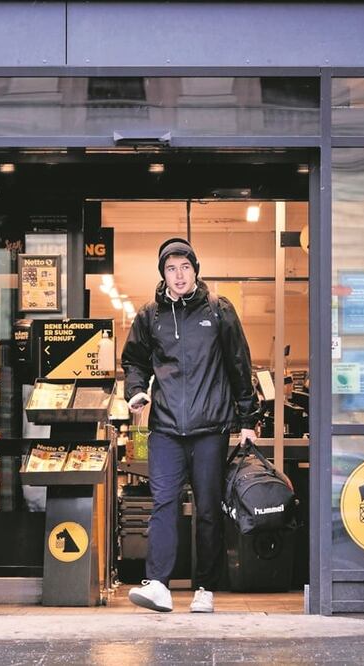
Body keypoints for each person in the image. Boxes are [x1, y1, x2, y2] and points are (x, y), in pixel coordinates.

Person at [120, 237, 259, 613]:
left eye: (184, 267)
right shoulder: (151, 315)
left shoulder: (218, 311)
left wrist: (248, 420)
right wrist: (135, 390)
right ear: (163, 274)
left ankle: (205, 588)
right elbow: (134, 360)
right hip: (164, 428)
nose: (178, 275)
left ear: (195, 270)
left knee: (208, 509)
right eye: (170, 269)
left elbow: (239, 366)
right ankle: (158, 585)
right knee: (163, 503)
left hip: (210, 428)